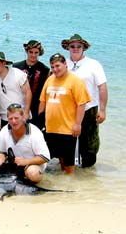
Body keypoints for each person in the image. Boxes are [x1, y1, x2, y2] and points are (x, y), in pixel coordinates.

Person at [39, 53, 91, 174]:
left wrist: (78, 124)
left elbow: (81, 104)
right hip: (50, 128)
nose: (55, 69)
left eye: (58, 66)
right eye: (52, 67)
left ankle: (70, 189)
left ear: (65, 64)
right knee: (51, 158)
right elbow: (43, 101)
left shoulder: (75, 81)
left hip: (68, 129)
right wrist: (40, 121)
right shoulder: (50, 79)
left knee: (68, 164)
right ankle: (60, 187)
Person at [61, 34, 108, 167]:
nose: (75, 48)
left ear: (83, 48)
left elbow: (102, 87)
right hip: (67, 110)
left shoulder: (94, 64)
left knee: (89, 145)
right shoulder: (63, 64)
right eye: (72, 46)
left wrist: (103, 110)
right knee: (66, 143)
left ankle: (88, 178)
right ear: (68, 48)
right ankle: (69, 173)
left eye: (78, 46)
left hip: (89, 109)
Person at [0, 103, 50, 183]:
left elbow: (45, 157)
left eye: (16, 118)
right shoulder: (4, 130)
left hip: (32, 165)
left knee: (33, 173)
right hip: (13, 165)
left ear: (23, 117)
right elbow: (1, 151)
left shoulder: (35, 133)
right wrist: (0, 163)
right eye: (10, 118)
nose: (13, 121)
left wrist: (26, 161)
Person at [0, 51, 32, 127]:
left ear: (4, 63)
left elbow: (28, 92)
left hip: (21, 115)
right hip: (4, 117)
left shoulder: (18, 74)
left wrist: (26, 112)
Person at [13, 40, 50, 126]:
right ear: (26, 51)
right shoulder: (17, 66)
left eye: (36, 52)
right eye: (31, 52)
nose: (33, 55)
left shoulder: (45, 69)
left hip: (36, 106)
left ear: (39, 53)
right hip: (19, 103)